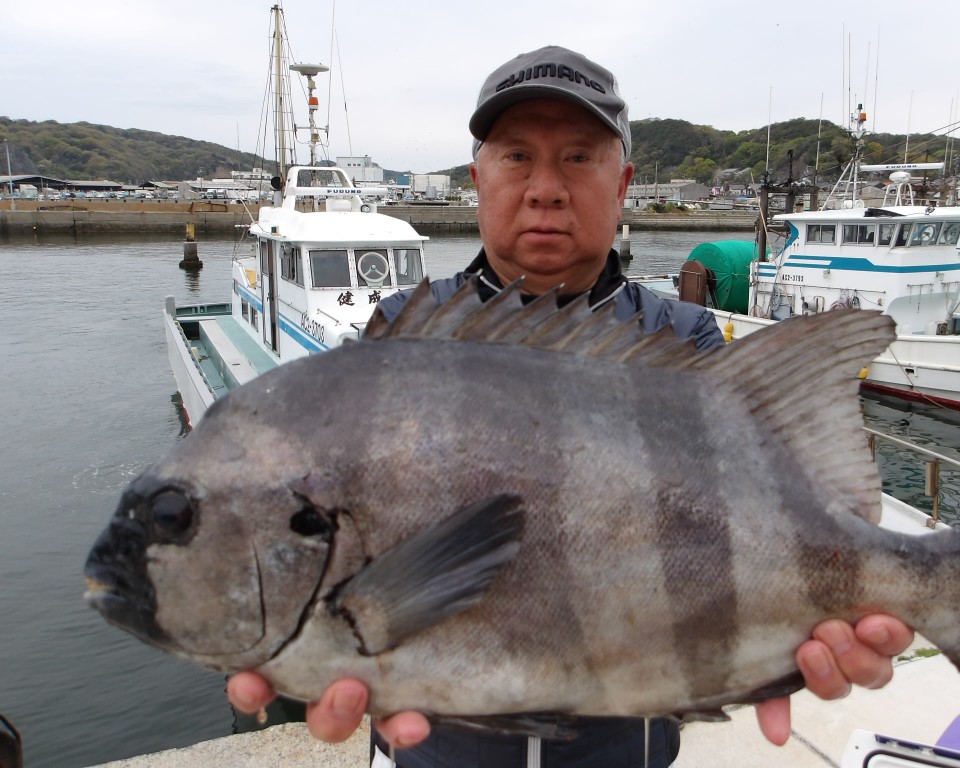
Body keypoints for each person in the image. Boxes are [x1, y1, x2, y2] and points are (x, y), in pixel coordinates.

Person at [228, 45, 914, 767]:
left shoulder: (682, 338)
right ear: (478, 181)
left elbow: (744, 524)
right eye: (517, 156)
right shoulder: (401, 335)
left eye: (579, 158)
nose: (546, 189)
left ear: (622, 185)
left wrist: (788, 635)